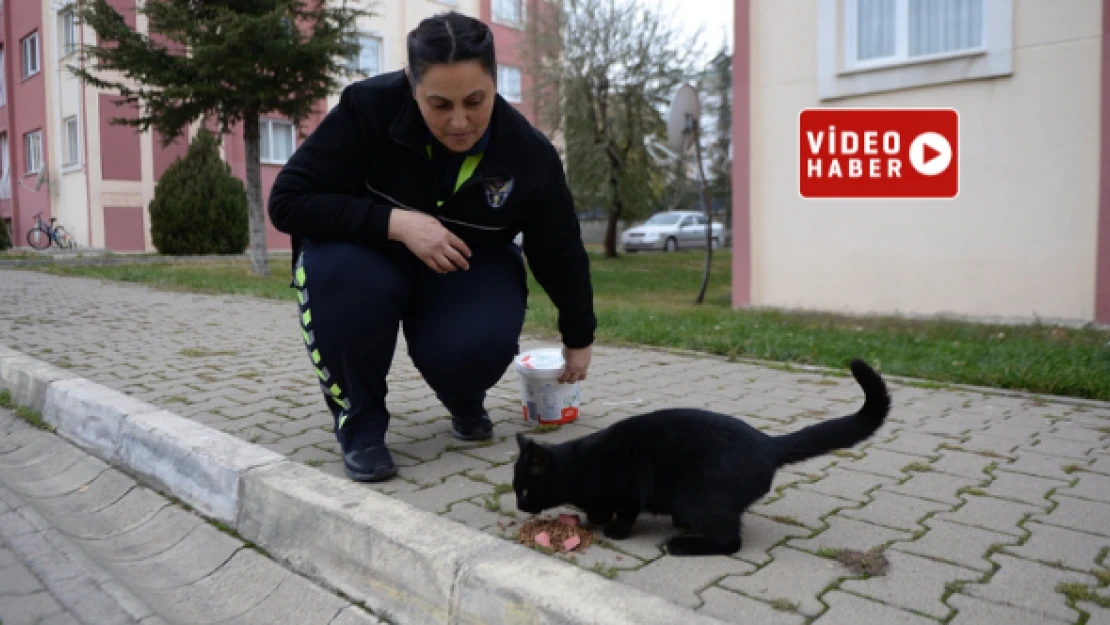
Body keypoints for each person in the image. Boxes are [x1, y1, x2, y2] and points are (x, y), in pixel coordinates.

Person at [268, 11, 597, 483]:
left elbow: (559, 251)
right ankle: (359, 422)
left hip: (463, 266)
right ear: (410, 82)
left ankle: (464, 397)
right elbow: (287, 201)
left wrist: (579, 338)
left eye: (475, 101)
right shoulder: (367, 109)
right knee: (340, 276)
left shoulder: (528, 153)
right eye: (439, 104)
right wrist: (395, 222)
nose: (460, 122)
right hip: (367, 258)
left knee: (475, 343)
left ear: (494, 83)